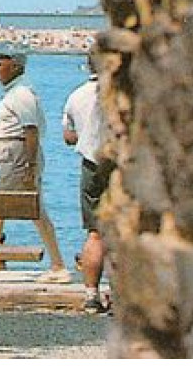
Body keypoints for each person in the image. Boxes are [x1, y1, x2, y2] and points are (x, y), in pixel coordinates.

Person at [0, 50, 70, 281]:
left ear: (16, 67)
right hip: (12, 154)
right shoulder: (15, 93)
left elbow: (31, 130)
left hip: (16, 155)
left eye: (0, 64)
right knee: (34, 209)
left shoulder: (21, 94)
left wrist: (30, 165)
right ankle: (58, 265)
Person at [63, 55, 111, 312]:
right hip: (123, 164)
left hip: (90, 166)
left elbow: (69, 136)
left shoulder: (76, 96)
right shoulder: (126, 92)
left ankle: (91, 295)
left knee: (94, 233)